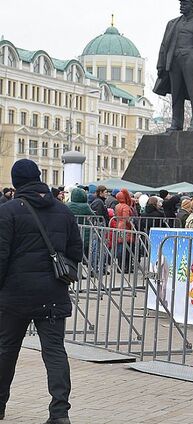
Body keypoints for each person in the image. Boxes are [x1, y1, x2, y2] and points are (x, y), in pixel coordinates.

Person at [0, 159, 82, 424]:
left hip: (15, 295)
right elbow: (76, 253)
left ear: (16, 182)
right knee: (55, 351)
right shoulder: (63, 210)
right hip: (53, 294)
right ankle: (60, 413)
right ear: (38, 178)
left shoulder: (8, 211)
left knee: (6, 350)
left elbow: (1, 257)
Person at [155, 0, 193, 131]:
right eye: (181, 3)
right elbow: (164, 46)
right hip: (174, 61)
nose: (181, 6)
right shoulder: (172, 24)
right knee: (176, 93)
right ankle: (176, 124)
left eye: (185, 4)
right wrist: (161, 65)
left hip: (192, 61)